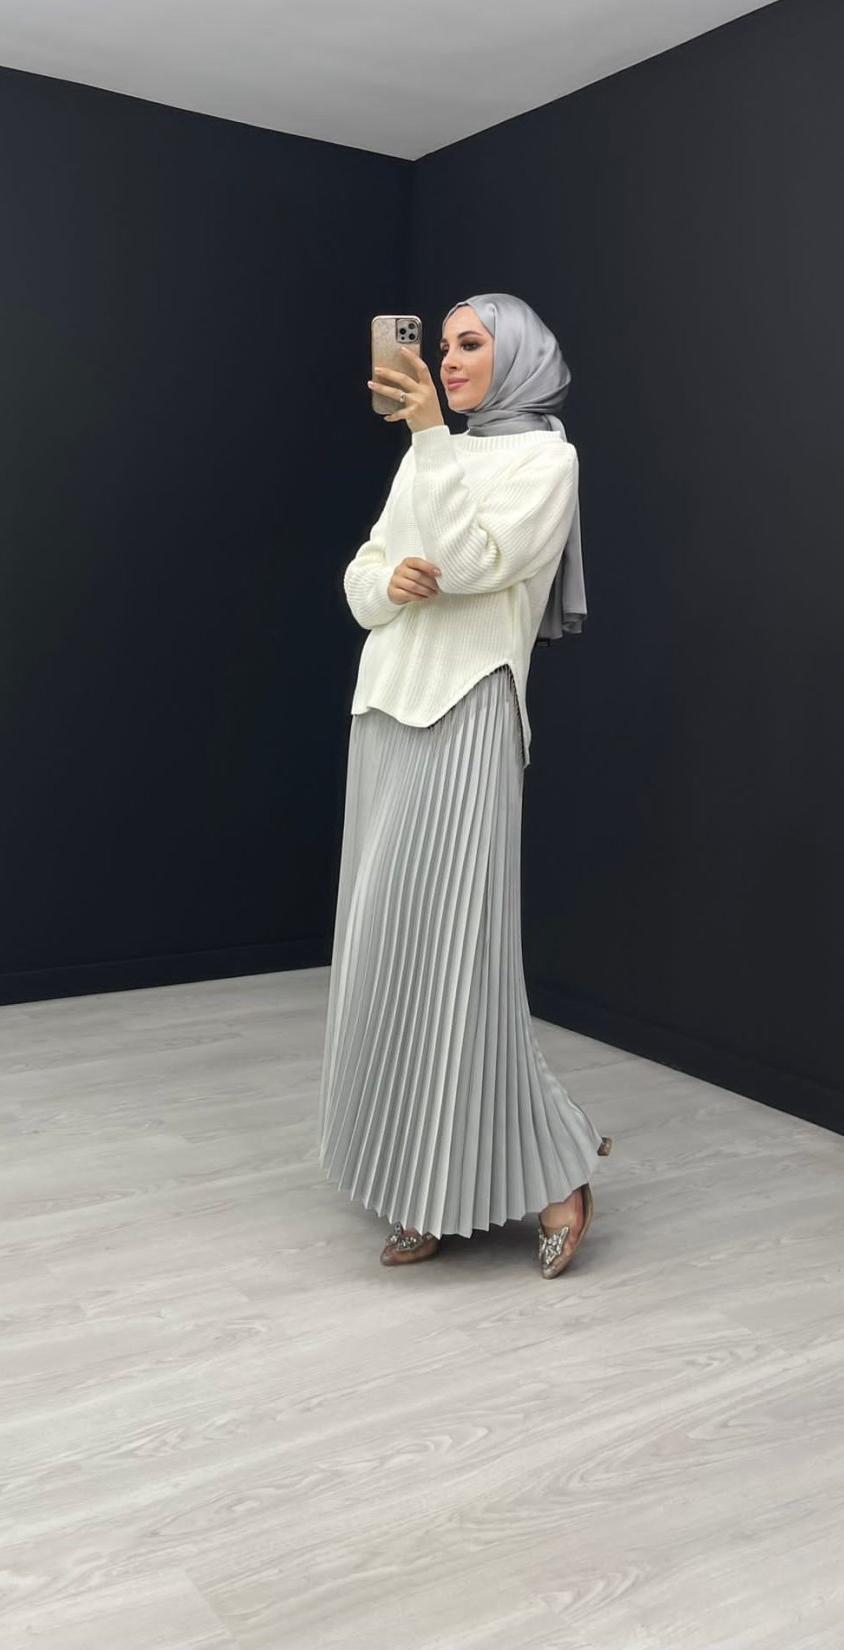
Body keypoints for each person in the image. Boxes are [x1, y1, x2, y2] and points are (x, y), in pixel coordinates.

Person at [318, 293, 611, 1279]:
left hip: (469, 707)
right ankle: (421, 1187)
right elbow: (368, 572)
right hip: (385, 708)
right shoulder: (430, 450)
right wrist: (385, 584)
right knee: (384, 960)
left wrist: (430, 441)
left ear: (516, 355)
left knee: (459, 965)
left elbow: (477, 561)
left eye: (469, 344)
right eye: (440, 345)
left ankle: (558, 1169)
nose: (446, 360)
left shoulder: (547, 462)